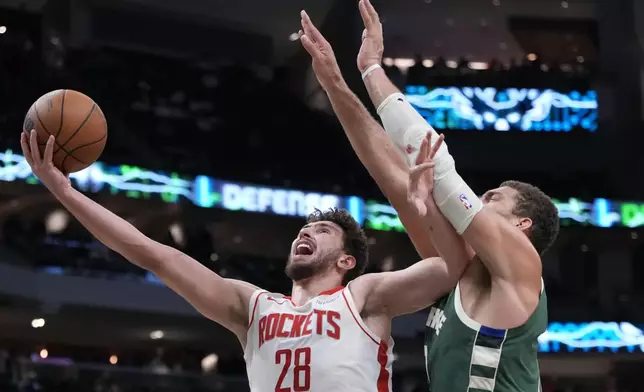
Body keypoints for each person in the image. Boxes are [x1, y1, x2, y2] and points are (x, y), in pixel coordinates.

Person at [21, 118, 469, 391]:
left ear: (347, 261)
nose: (305, 232)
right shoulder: (251, 306)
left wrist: (424, 205)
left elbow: (451, 269)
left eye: (322, 229)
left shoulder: (364, 297)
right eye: (304, 228)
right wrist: (65, 192)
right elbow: (152, 254)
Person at [298, 1, 560, 391]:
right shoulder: (457, 266)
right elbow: (393, 178)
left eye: (494, 198)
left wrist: (371, 70)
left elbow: (439, 168)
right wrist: (335, 85)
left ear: (522, 224)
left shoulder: (523, 267)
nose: (479, 200)